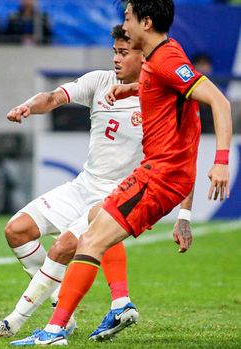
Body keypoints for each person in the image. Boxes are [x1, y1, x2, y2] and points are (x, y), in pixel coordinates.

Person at [25, 0, 232, 345]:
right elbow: (169, 90)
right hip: (158, 172)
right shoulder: (159, 56)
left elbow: (220, 102)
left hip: (160, 176)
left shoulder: (167, 59)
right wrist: (133, 88)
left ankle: (55, 330)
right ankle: (117, 304)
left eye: (127, 16)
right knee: (95, 221)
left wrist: (221, 159)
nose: (123, 21)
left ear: (146, 22)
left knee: (90, 240)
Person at [0, 24, 194, 342]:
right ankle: (65, 305)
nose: (116, 59)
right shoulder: (98, 81)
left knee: (63, 247)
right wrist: (28, 107)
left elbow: (182, 160)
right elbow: (51, 97)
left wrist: (184, 215)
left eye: (123, 52)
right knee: (17, 230)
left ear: (143, 56)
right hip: (83, 185)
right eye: (114, 52)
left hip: (116, 196)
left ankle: (14, 322)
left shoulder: (157, 99)